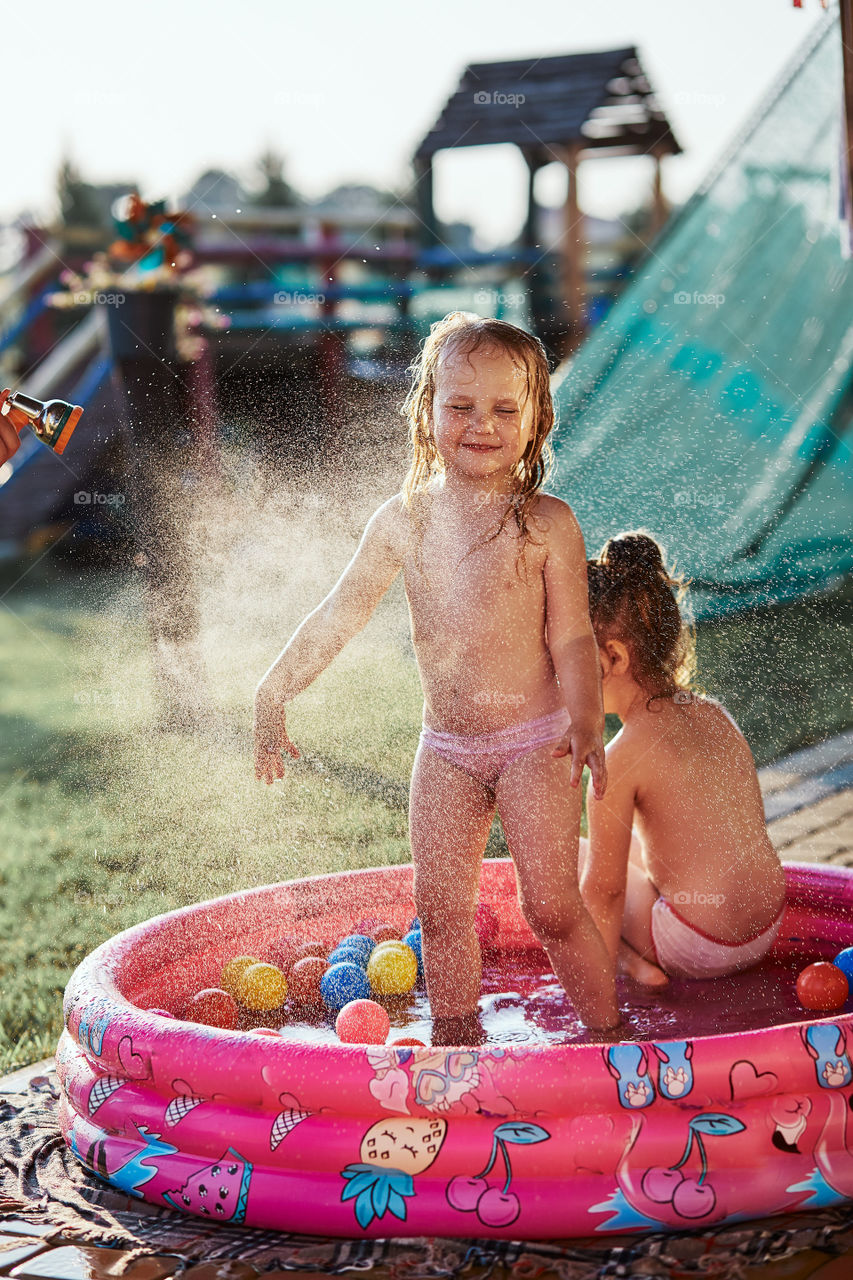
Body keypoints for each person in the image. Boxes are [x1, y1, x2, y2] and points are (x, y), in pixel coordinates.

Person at [254, 311, 621, 1042]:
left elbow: (573, 636)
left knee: (548, 905)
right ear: (426, 411)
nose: (480, 424)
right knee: (442, 910)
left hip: (536, 744)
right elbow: (339, 612)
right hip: (445, 751)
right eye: (459, 405)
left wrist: (584, 718)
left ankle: (613, 1043)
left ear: (534, 420)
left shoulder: (546, 523)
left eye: (502, 409)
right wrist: (273, 689)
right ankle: (457, 1041)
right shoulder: (403, 521)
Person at [581, 531, 786, 985]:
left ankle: (626, 964)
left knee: (574, 857)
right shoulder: (716, 715)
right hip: (767, 926)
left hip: (700, 945)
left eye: (573, 660)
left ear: (613, 657)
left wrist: (594, 996)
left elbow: (605, 892)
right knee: (622, 843)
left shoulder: (621, 757)